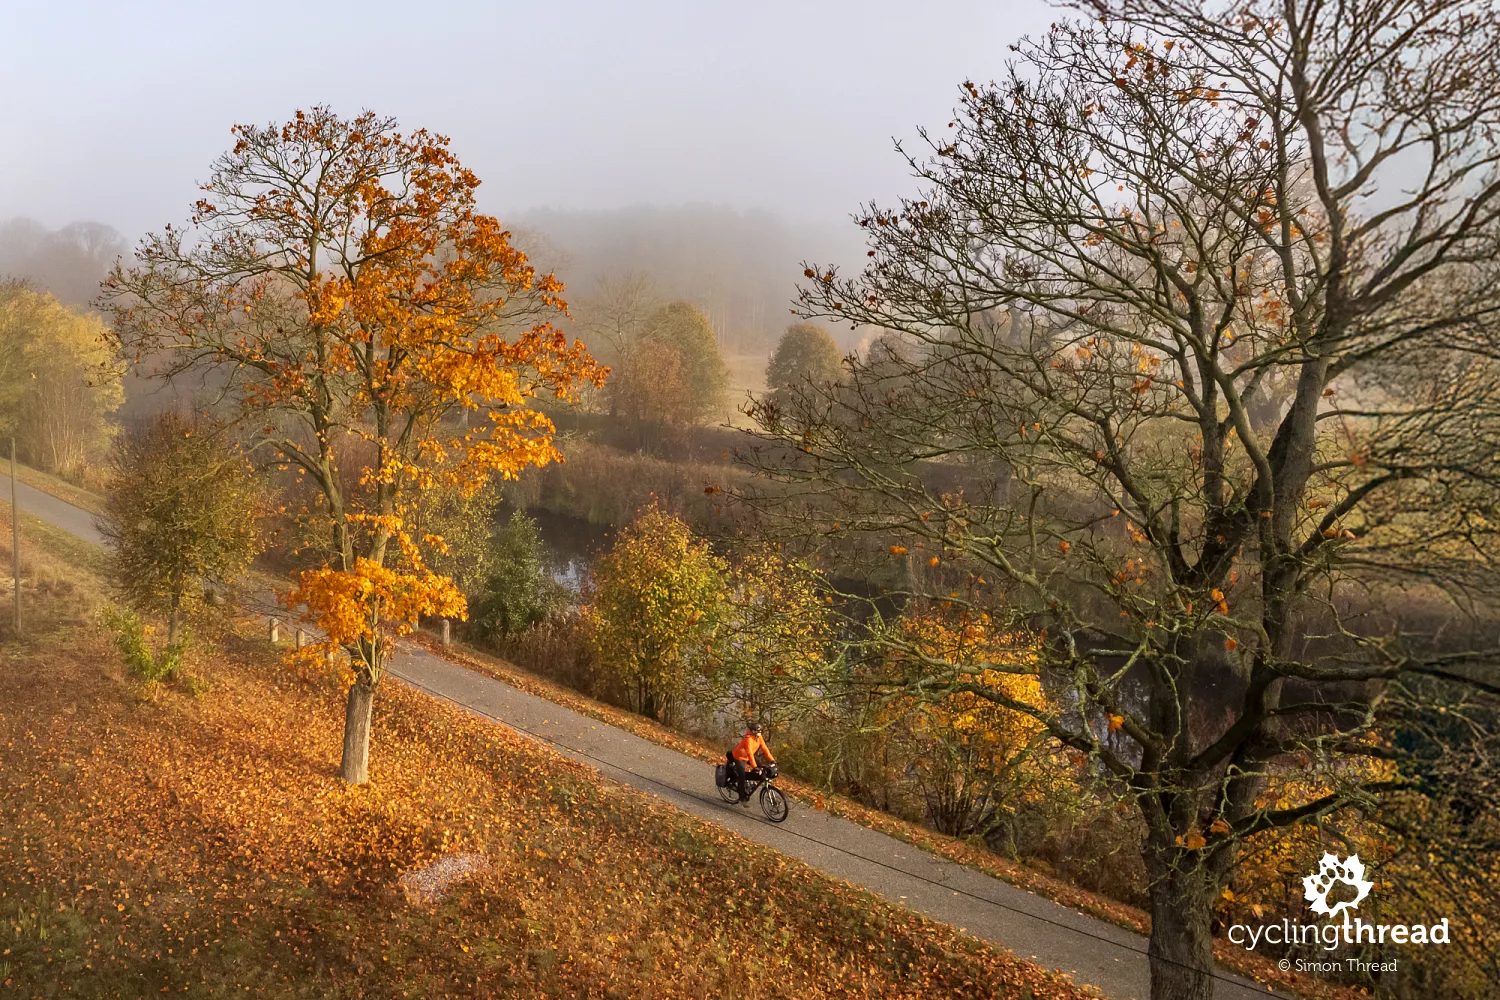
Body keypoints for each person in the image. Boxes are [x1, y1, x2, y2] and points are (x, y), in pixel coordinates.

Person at [728, 721, 775, 805]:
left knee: (761, 767)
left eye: (760, 731)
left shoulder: (759, 738)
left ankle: (751, 781)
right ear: (753, 731)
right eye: (758, 731)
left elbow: (765, 749)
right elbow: (749, 753)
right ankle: (742, 798)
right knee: (742, 776)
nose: (760, 732)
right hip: (739, 757)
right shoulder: (748, 739)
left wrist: (772, 760)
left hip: (748, 756)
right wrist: (754, 767)